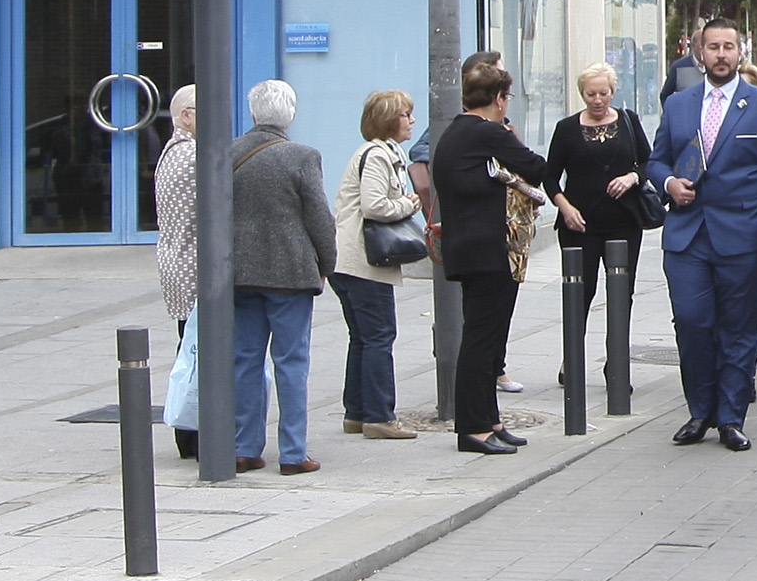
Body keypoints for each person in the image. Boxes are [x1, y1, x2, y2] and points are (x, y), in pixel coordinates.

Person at [650, 17, 757, 451]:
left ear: (740, 51)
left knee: (739, 327)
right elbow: (656, 160)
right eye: (713, 47)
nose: (721, 55)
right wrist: (668, 184)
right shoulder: (678, 104)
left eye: (729, 47)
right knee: (692, 323)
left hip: (742, 235)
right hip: (687, 236)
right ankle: (700, 410)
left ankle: (730, 416)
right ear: (700, 52)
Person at [433, 58, 552, 454]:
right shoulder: (488, 132)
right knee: (482, 341)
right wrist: (511, 139)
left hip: (467, 249)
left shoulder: (455, 132)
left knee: (487, 337)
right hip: (489, 250)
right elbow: (536, 166)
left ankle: (491, 419)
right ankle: (473, 429)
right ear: (499, 99)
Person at [230, 80, 335, 474]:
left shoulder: (225, 153)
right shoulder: (302, 156)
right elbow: (319, 218)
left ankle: (244, 447)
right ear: (289, 114)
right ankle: (292, 452)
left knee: (245, 361)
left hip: (239, 272)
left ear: (253, 113)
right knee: (291, 363)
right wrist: (327, 264)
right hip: (290, 273)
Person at [546, 62, 656, 387]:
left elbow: (650, 161)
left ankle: (617, 365)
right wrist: (564, 207)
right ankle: (572, 360)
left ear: (613, 91)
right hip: (580, 225)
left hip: (624, 222)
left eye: (603, 93)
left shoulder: (628, 120)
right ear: (582, 94)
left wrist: (632, 177)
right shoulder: (566, 129)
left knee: (621, 294)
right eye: (591, 94)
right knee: (580, 293)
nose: (597, 100)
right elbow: (550, 176)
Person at [329, 89, 420, 441]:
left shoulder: (379, 153)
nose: (412, 120)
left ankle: (357, 412)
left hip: (347, 262)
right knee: (380, 336)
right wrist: (407, 206)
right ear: (388, 120)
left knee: (363, 338)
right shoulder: (378, 156)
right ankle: (380, 416)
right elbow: (375, 206)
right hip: (362, 262)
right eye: (405, 115)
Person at [154, 84, 201, 462]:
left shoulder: (170, 152)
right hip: (194, 268)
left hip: (176, 264)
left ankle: (189, 434)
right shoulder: (192, 155)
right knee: (198, 353)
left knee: (189, 348)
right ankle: (194, 434)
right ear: (186, 115)